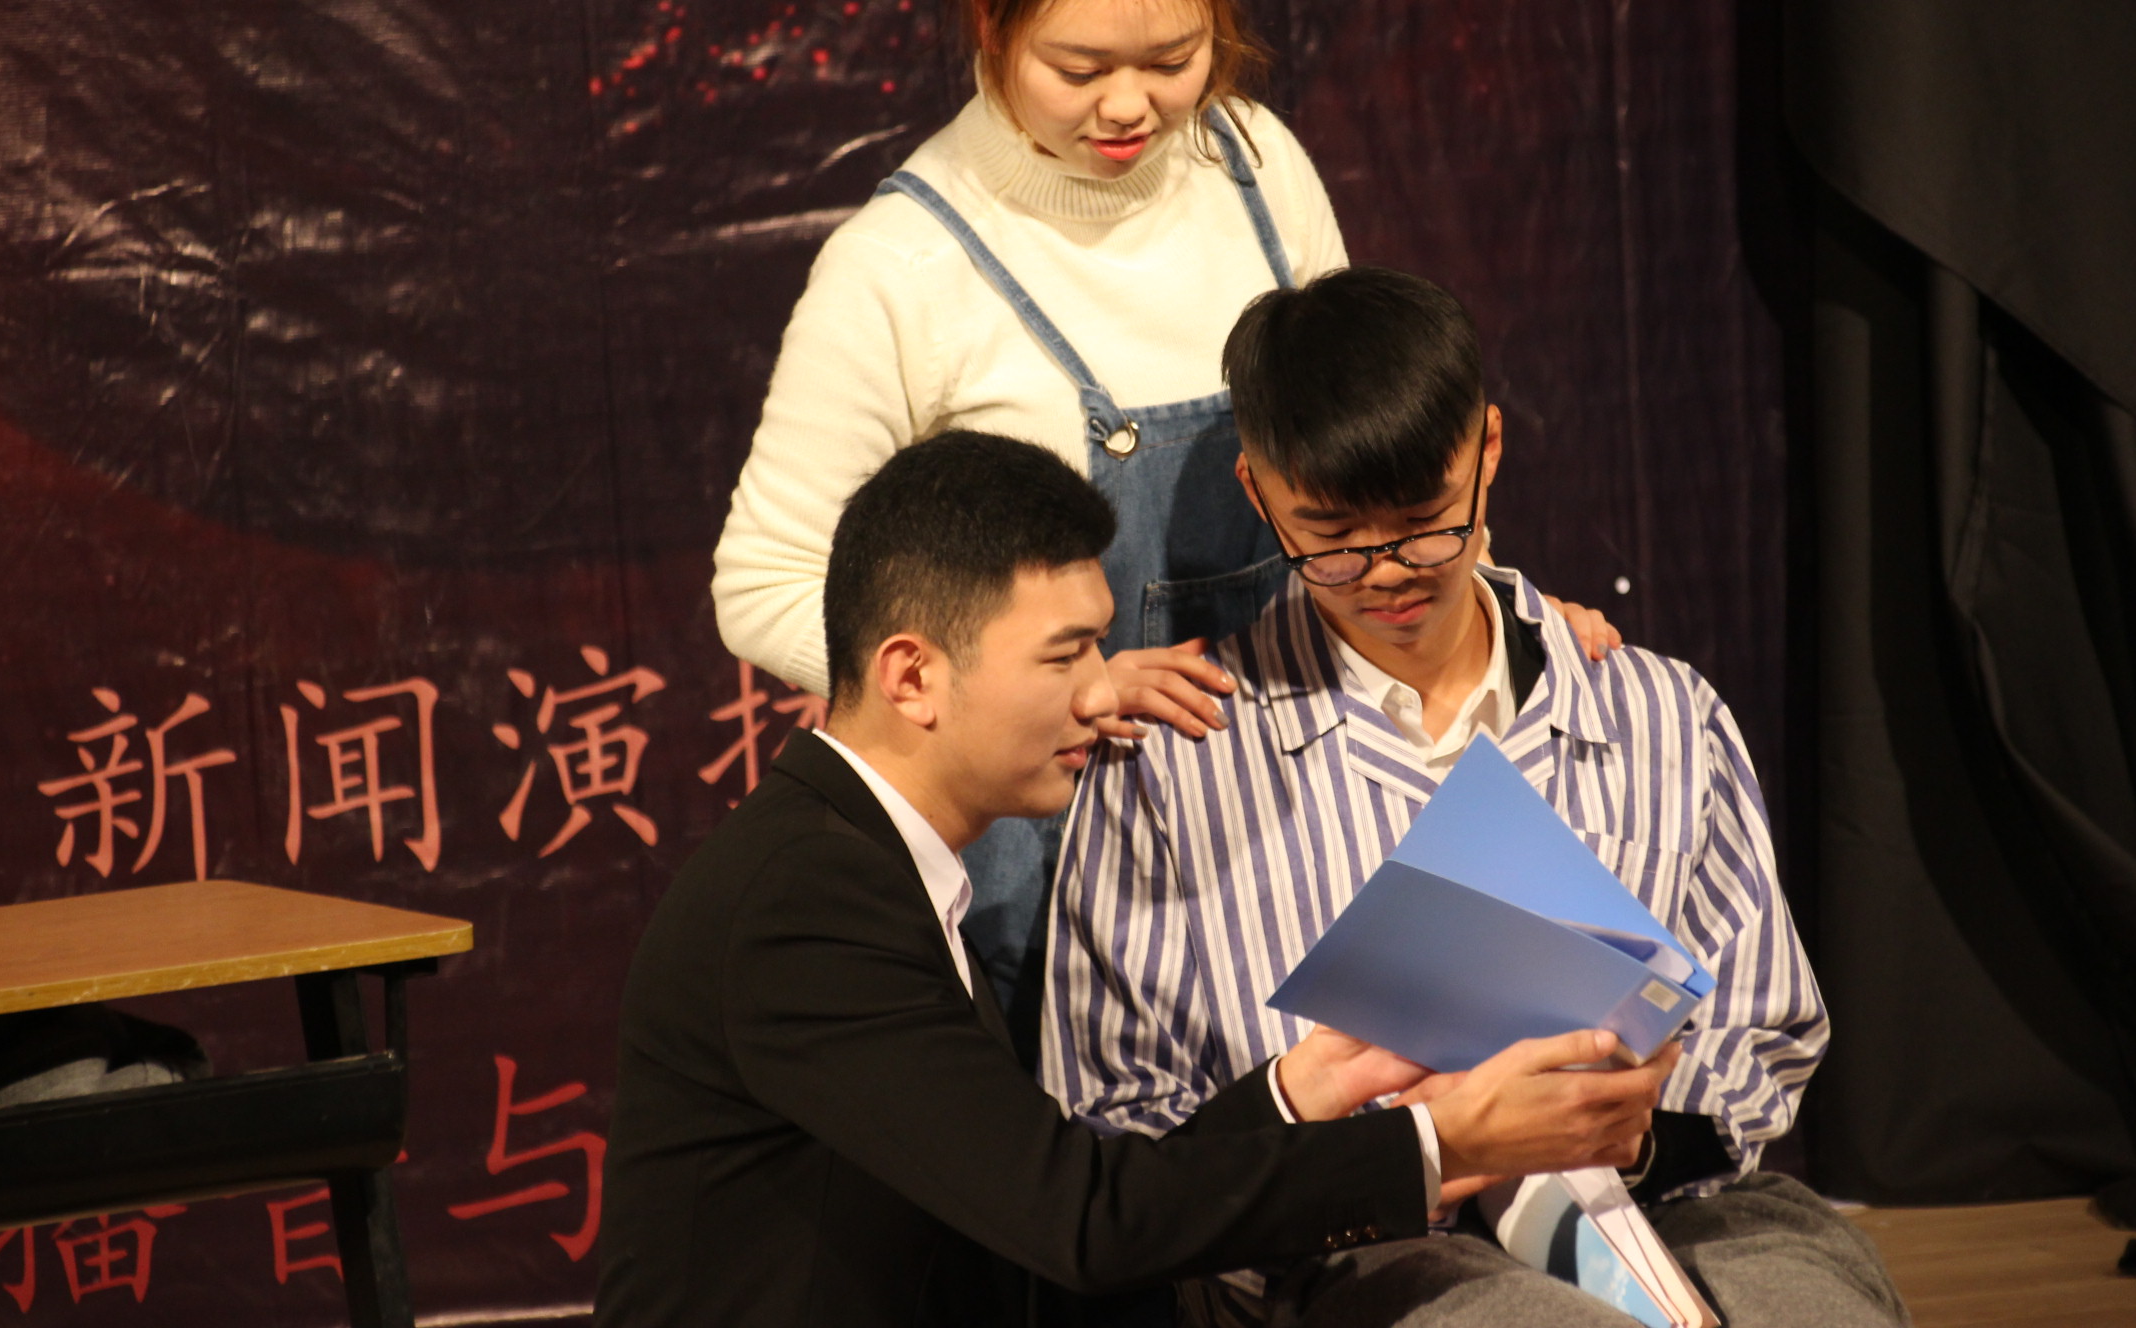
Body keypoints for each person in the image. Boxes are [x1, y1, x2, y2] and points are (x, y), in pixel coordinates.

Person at [713, 0, 1618, 1038]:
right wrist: (1049, 685)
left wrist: (1486, 598)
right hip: (1052, 855)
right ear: (989, 15)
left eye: (1174, 59)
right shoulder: (901, 266)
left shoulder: (1255, 167)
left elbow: (1361, 439)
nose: (1129, 108)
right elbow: (764, 582)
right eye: (1079, 69)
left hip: (1304, 821)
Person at [598, 430, 1683, 1328]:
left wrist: (1297, 1095)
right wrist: (1442, 1143)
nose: (1101, 692)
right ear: (913, 675)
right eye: (1063, 655)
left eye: (1100, 649)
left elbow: (1052, 1222)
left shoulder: (863, 865)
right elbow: (1076, 1222)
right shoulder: (804, 901)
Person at [1043, 270, 1909, 1327]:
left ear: (1488, 450)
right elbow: (1113, 1125)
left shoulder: (1657, 714)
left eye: (1426, 521)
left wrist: (1628, 1129)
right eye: (1332, 537)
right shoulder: (1173, 762)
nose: (1388, 572)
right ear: (1258, 493)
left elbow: (1761, 1025)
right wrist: (1395, 1142)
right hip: (1352, 1251)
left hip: (1673, 1202)